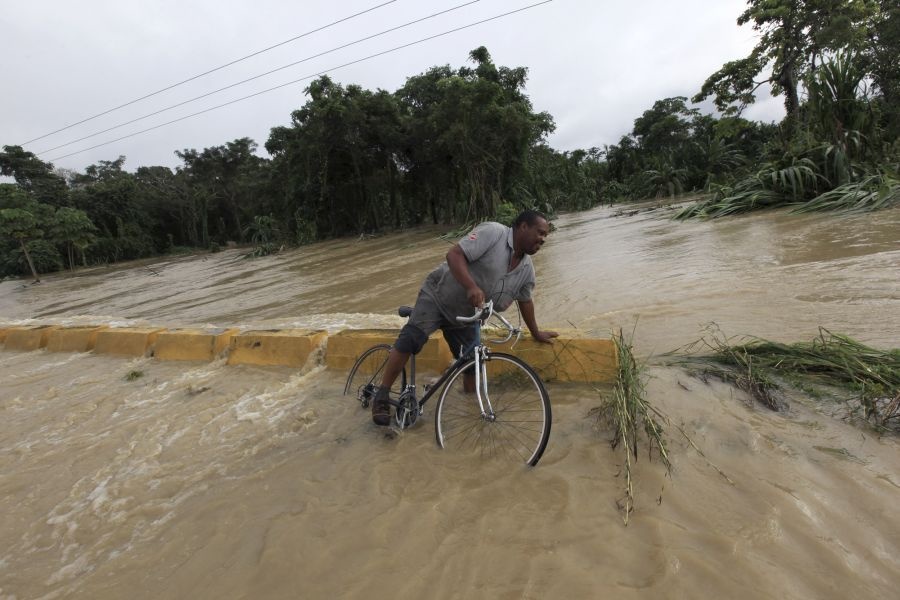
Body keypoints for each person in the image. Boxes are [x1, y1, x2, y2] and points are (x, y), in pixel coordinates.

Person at [372, 209, 558, 426]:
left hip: (467, 317)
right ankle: (382, 396)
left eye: (546, 236)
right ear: (524, 227)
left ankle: (471, 412)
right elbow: (454, 255)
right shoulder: (494, 233)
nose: (543, 239)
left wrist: (536, 332)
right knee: (410, 340)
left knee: (473, 366)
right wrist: (471, 286)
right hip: (438, 298)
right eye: (540, 233)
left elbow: (525, 301)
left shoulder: (527, 270)